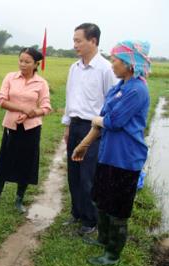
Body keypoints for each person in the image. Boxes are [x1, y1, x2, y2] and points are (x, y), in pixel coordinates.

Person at [72, 40, 151, 265]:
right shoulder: (120, 87)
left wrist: (99, 120)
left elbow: (113, 121)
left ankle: (112, 255)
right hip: (108, 153)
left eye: (116, 60)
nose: (113, 63)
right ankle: (103, 239)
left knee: (118, 209)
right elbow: (104, 117)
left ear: (129, 64)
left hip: (125, 158)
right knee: (103, 200)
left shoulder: (136, 90)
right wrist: (89, 138)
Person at [62, 23, 117, 235]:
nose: (75, 44)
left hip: (93, 128)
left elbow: (111, 103)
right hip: (75, 125)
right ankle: (76, 212)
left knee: (88, 175)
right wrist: (67, 126)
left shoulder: (105, 69)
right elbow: (69, 99)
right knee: (73, 173)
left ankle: (90, 219)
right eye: (74, 40)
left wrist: (100, 130)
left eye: (78, 40)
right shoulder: (74, 68)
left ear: (93, 41)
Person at [0, 47, 51, 213]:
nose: (22, 64)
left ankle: (19, 200)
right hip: (11, 127)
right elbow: (1, 100)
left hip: (31, 128)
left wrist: (32, 114)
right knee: (4, 163)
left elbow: (46, 107)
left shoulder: (41, 83)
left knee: (26, 163)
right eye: (21, 60)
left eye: (27, 62)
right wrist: (23, 109)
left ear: (36, 64)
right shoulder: (10, 77)